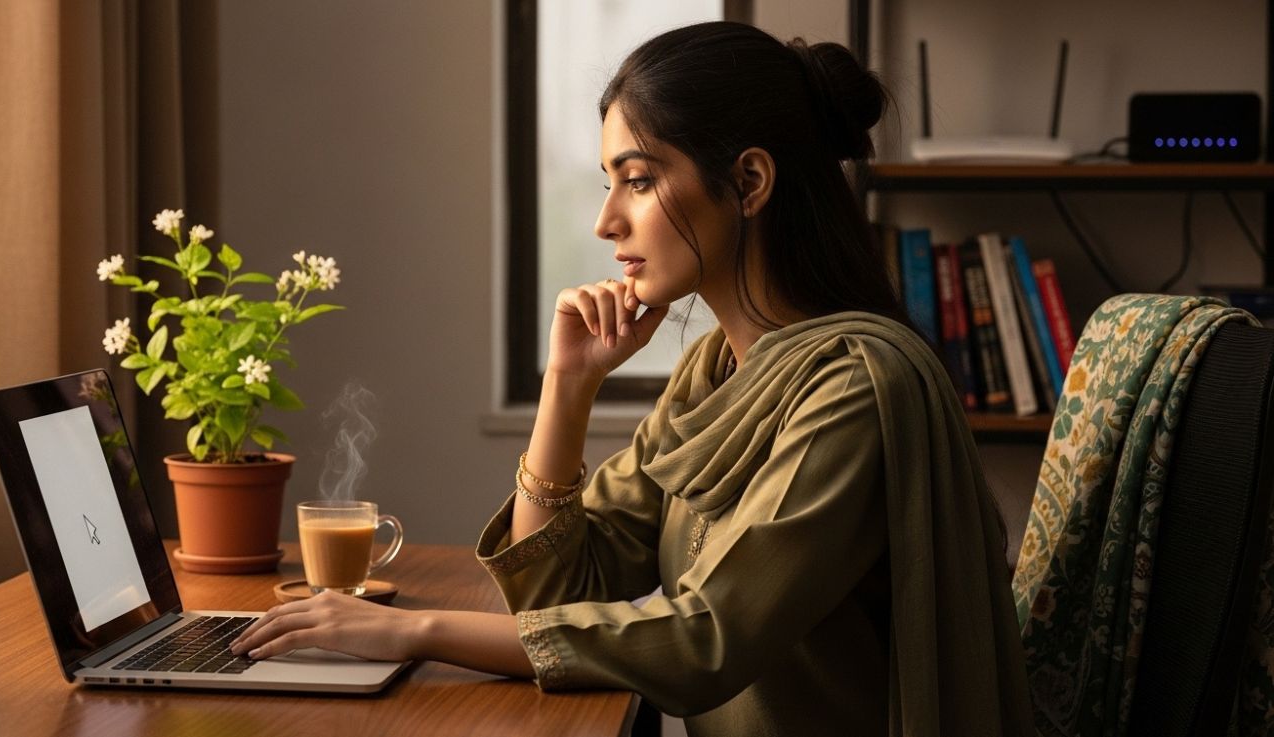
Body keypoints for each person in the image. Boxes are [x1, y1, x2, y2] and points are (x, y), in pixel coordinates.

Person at [231, 21, 1032, 736]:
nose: (606, 220)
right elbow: (552, 598)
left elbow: (704, 638)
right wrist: (566, 387)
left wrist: (414, 630)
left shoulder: (854, 387)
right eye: (609, 181)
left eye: (639, 179)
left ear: (749, 182)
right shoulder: (715, 368)